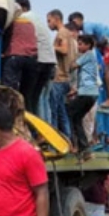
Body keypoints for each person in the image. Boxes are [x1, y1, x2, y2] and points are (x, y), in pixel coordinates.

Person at [68, 12, 109, 109]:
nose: (74, 25)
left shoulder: (87, 27)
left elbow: (91, 45)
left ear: (80, 20)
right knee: (102, 59)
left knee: (105, 70)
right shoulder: (88, 27)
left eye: (74, 22)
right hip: (108, 42)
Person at [15, 0, 57, 122]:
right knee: (36, 98)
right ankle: (41, 128)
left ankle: (31, 126)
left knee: (27, 96)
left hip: (39, 60)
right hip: (49, 62)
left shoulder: (24, 17)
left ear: (22, 8)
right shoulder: (36, 18)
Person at [2, 4, 39, 110]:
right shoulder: (30, 24)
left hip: (15, 56)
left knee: (10, 90)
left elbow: (6, 39)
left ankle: (9, 113)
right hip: (32, 59)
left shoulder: (12, 23)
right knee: (27, 95)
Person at [67, 35, 99, 155]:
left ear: (88, 45)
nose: (78, 47)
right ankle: (83, 147)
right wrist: (76, 91)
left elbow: (72, 66)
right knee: (77, 118)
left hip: (87, 93)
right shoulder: (91, 57)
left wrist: (68, 58)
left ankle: (73, 143)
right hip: (90, 93)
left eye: (80, 44)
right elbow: (87, 79)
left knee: (69, 112)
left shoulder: (88, 55)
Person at [46, 10, 76, 139]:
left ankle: (54, 140)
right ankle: (67, 139)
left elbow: (64, 50)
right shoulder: (70, 34)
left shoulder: (62, 33)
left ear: (56, 19)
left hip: (59, 78)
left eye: (49, 21)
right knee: (62, 112)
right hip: (66, 78)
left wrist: (49, 47)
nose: (48, 24)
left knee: (53, 111)